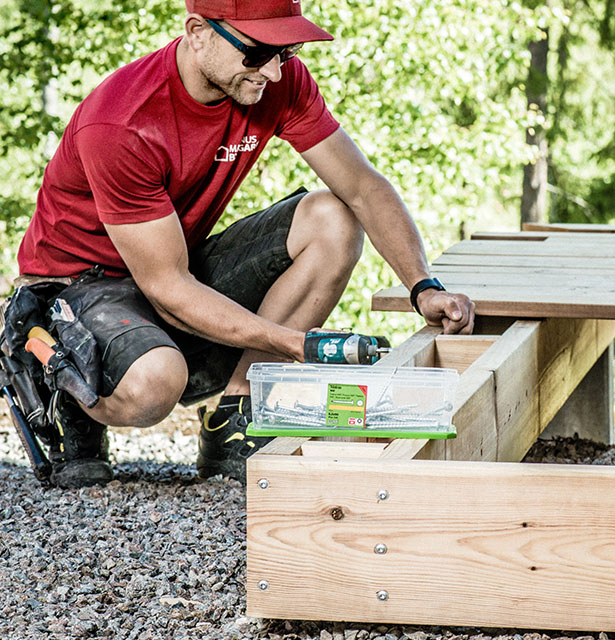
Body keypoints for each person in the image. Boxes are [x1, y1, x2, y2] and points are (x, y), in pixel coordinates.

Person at [6, 0, 475, 488]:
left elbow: (361, 186)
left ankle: (238, 417)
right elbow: (166, 285)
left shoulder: (276, 79)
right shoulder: (123, 122)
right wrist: (293, 345)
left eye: (286, 51)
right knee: (154, 383)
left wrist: (424, 288)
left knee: (333, 219)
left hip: (170, 263)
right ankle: (57, 382)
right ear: (197, 32)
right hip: (77, 288)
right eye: (256, 54)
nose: (273, 71)